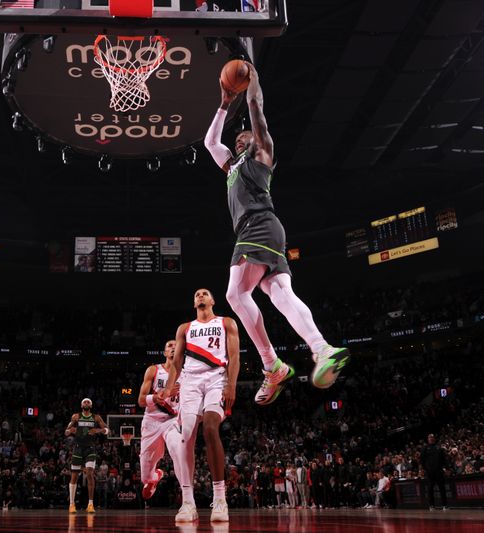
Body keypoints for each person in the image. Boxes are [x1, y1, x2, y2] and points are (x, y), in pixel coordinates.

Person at [203, 61, 350, 405]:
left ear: (255, 142)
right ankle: (322, 348)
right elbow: (211, 142)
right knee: (280, 293)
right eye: (238, 137)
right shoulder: (232, 163)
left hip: (257, 225)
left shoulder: (262, 153)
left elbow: (257, 110)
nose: (241, 137)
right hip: (267, 231)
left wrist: (253, 82)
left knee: (236, 294)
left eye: (246, 136)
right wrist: (224, 102)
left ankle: (272, 365)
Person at [162, 288, 240, 523]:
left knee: (209, 427)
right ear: (194, 302)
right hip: (190, 381)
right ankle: (188, 502)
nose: (200, 295)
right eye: (196, 294)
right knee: (187, 434)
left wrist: (232, 386)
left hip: (217, 378)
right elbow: (176, 361)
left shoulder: (227, 322)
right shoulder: (185, 328)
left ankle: (219, 499)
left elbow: (234, 356)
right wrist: (169, 387)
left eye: (205, 293)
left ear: (213, 300)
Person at [137, 339, 180, 500]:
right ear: (165, 353)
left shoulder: (188, 373)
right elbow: (141, 401)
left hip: (173, 420)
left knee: (178, 450)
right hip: (152, 420)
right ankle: (155, 476)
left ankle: (188, 498)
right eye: (169, 345)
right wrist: (155, 397)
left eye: (177, 346)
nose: (173, 348)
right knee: (145, 478)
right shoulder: (153, 370)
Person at [65, 398, 109, 513]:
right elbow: (66, 431)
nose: (86, 403)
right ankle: (71, 504)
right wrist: (70, 431)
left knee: (89, 473)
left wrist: (97, 431)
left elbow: (107, 430)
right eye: (84, 402)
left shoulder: (96, 417)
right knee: (74, 476)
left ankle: (90, 504)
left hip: (90, 448)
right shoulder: (76, 416)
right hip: (78, 448)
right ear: (81, 405)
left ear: (91, 405)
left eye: (88, 402)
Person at [420, 434, 447, 510]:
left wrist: (445, 468)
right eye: (429, 437)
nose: (431, 438)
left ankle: (444, 505)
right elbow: (422, 460)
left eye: (432, 437)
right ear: (428, 439)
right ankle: (431, 506)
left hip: (439, 471)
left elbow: (443, 459)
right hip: (429, 472)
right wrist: (424, 469)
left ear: (434, 438)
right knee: (430, 489)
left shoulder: (439, 447)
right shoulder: (425, 448)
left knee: (442, 488)